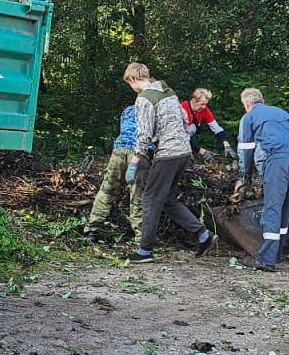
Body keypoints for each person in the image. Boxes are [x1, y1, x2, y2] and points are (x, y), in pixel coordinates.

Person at [125, 62, 213, 263]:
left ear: (133, 79)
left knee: (149, 199)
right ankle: (202, 234)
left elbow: (144, 132)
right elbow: (184, 120)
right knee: (166, 199)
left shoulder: (144, 98)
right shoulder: (169, 92)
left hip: (168, 154)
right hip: (183, 152)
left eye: (130, 83)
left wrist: (135, 160)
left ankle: (145, 250)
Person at [234, 87, 289, 272]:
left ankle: (266, 260)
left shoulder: (249, 117)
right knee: (286, 206)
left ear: (246, 104)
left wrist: (244, 177)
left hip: (277, 160)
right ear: (261, 100)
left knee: (273, 206)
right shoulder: (282, 113)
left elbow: (246, 149)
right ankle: (277, 253)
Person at [83, 104, 146, 237]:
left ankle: (92, 229)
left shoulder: (128, 110)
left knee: (107, 190)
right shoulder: (154, 112)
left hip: (119, 149)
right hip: (140, 154)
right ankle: (140, 237)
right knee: (137, 195)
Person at [181, 88, 234, 158]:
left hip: (187, 141)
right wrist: (201, 151)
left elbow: (216, 128)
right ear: (194, 100)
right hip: (177, 142)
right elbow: (183, 136)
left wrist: (227, 145)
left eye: (206, 104)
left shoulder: (204, 110)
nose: (204, 107)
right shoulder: (183, 108)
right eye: (202, 104)